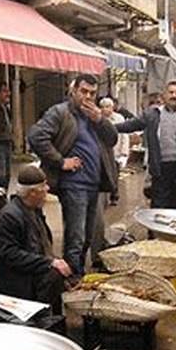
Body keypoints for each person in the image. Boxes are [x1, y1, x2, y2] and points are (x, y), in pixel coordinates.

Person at [27, 74, 118, 279]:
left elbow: (112, 139)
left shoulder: (95, 116)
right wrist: (61, 161)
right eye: (83, 91)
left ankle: (77, 272)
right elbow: (36, 136)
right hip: (73, 185)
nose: (87, 97)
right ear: (73, 91)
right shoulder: (61, 112)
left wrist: (100, 120)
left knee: (87, 235)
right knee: (75, 236)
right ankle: (72, 278)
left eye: (92, 93)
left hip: (94, 185)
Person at [0, 165, 70, 314]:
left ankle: (53, 320)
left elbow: (42, 245)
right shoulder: (10, 216)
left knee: (58, 275)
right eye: (44, 186)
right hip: (19, 284)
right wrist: (49, 262)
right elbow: (10, 255)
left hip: (35, 273)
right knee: (53, 275)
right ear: (32, 192)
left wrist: (55, 261)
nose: (47, 189)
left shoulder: (34, 210)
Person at [115, 81, 176, 209]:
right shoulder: (152, 114)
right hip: (160, 169)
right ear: (164, 95)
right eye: (171, 92)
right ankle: (156, 230)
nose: (174, 95)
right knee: (158, 208)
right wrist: (105, 126)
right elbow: (130, 126)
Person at [99, 97, 128, 205]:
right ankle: (104, 194)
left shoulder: (119, 118)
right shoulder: (98, 119)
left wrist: (124, 152)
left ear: (112, 108)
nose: (105, 109)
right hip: (103, 152)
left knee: (114, 174)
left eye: (107, 107)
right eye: (102, 107)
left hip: (116, 151)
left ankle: (114, 195)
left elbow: (124, 136)